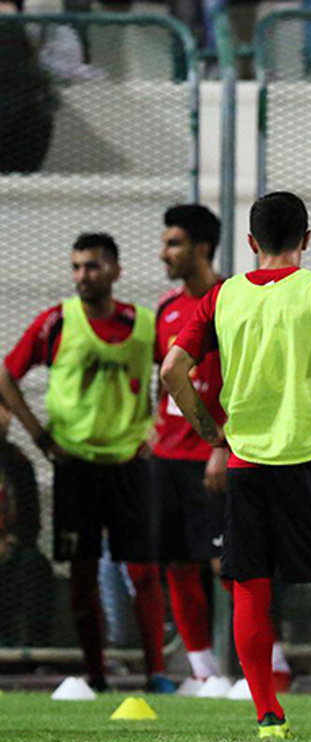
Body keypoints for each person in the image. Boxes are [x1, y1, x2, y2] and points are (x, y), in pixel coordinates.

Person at [163, 192, 311, 741]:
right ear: (307, 239)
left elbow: (173, 369)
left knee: (250, 585)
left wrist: (212, 432)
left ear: (251, 243)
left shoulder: (223, 297)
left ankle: (268, 719)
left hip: (247, 463)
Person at [0, 233, 168, 694]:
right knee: (82, 573)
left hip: (129, 462)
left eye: (92, 266)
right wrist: (39, 436)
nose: (82, 276)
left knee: (145, 571)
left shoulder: (144, 324)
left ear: (115, 271)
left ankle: (157, 674)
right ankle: (95, 674)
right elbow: (6, 375)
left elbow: (176, 367)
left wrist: (159, 425)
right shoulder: (56, 321)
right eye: (75, 267)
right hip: (75, 465)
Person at [153, 204, 228, 692]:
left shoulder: (233, 302)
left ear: (202, 247)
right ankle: (204, 672)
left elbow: (251, 381)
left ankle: (265, 666)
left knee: (233, 565)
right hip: (169, 457)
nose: (164, 253)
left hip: (217, 457)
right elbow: (161, 380)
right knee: (177, 562)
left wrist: (224, 443)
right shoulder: (166, 309)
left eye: (173, 243)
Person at [0, 402, 50, 647]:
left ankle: (34, 654)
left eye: (3, 409)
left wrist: (12, 542)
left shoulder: (17, 462)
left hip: (11, 552)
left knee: (36, 566)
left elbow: (32, 520)